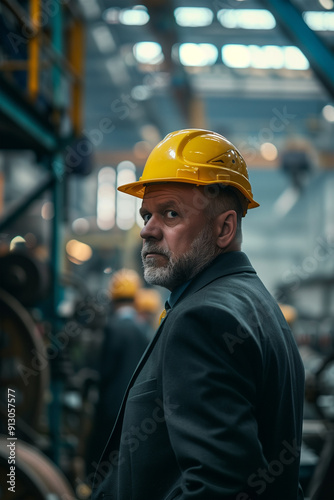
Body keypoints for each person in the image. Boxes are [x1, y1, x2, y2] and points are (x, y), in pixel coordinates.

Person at [91, 129, 305, 500]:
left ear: (224, 228)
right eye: (146, 214)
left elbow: (219, 487)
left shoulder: (203, 319)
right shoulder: (258, 305)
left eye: (170, 213)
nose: (147, 230)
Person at [85, 268, 149, 484]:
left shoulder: (112, 328)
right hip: (134, 408)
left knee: (101, 465)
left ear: (113, 297)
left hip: (110, 409)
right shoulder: (142, 330)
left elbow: (105, 372)